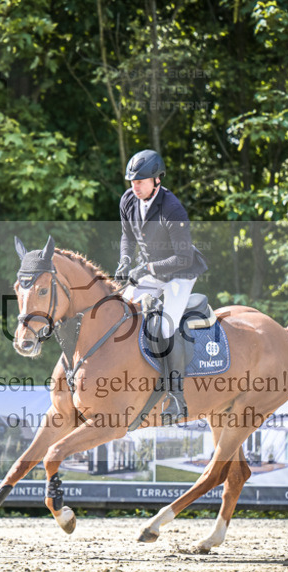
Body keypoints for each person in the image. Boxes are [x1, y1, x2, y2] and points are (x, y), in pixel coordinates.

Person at [114, 149, 207, 420]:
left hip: (180, 274)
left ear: (157, 180)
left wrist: (146, 268)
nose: (135, 186)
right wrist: (125, 260)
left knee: (166, 327)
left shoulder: (171, 207)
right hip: (151, 270)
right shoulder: (129, 200)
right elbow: (126, 236)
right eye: (132, 181)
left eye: (140, 181)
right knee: (122, 310)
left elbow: (183, 257)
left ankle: (177, 397)